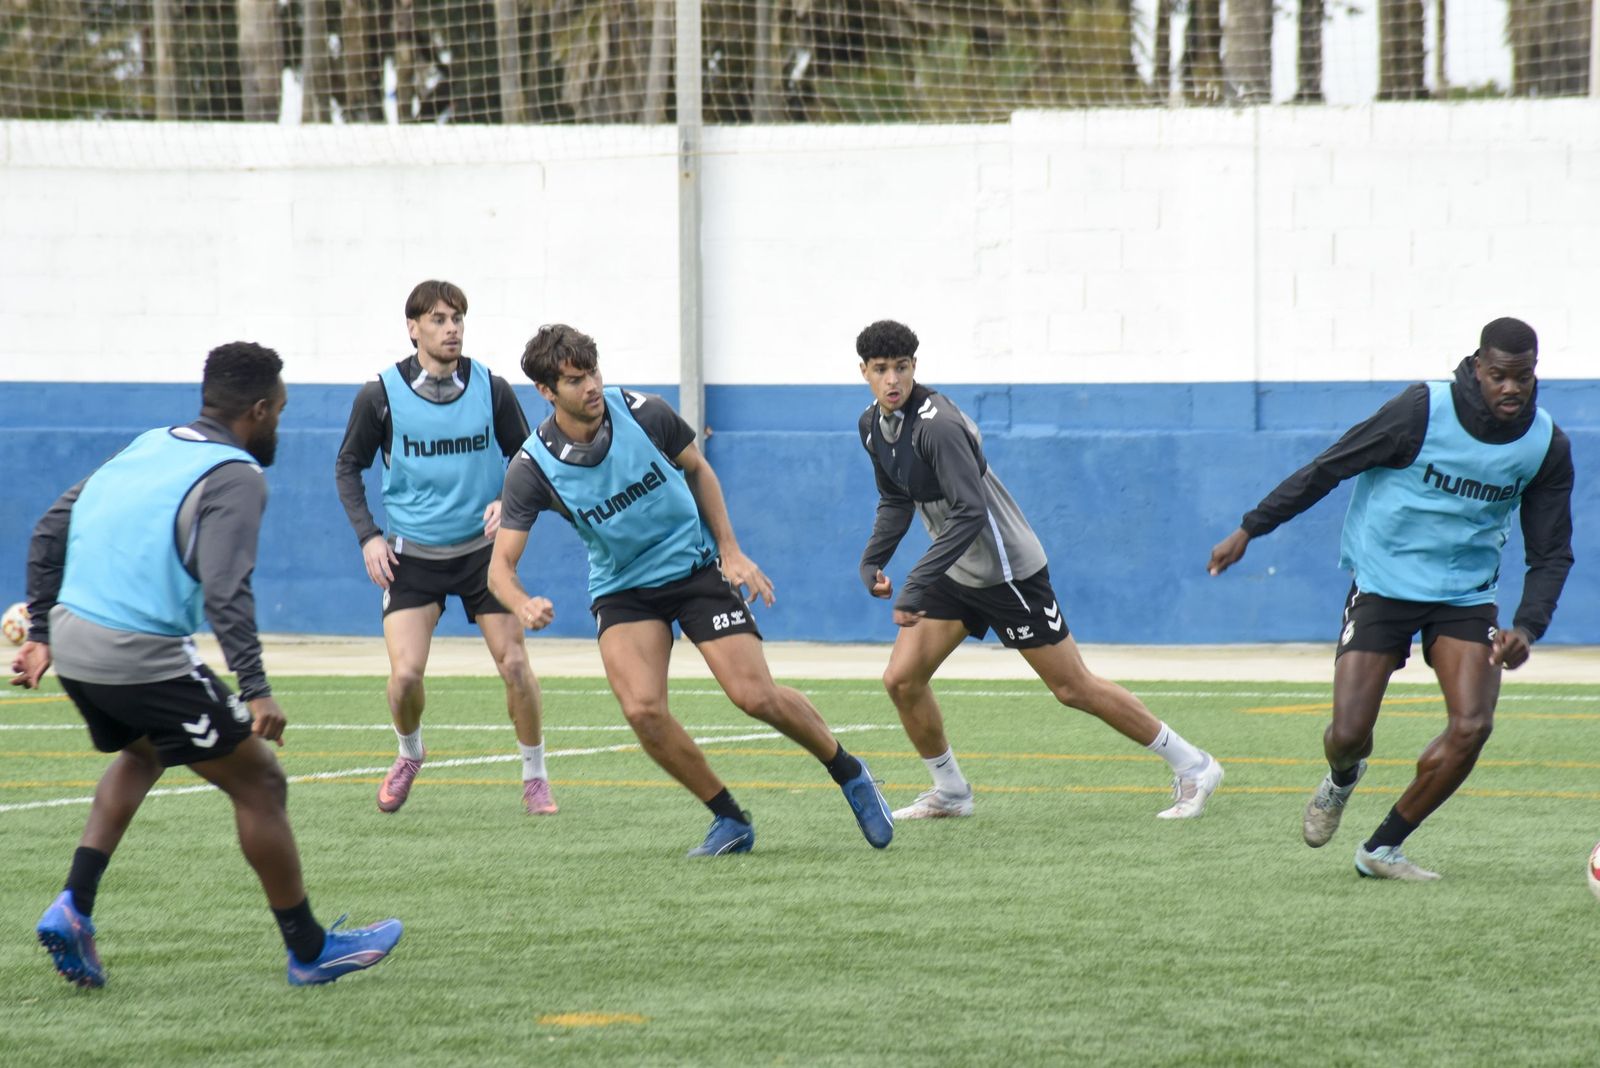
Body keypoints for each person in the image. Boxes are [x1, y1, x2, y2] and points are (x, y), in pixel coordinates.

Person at [11, 343, 401, 988]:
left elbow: (51, 529)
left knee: (143, 754)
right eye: (279, 409)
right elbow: (225, 588)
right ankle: (308, 948)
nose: (279, 420)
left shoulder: (150, 443)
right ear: (257, 410)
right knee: (261, 783)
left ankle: (73, 906)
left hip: (78, 646)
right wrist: (256, 689)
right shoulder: (237, 475)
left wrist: (46, 632)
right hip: (140, 655)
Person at [487, 324, 893, 856]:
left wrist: (730, 550)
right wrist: (522, 602)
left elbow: (697, 469)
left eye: (593, 372)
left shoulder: (644, 413)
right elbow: (500, 568)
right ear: (547, 392)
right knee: (642, 710)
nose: (591, 386)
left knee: (755, 696)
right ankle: (729, 819)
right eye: (574, 379)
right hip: (623, 589)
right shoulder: (532, 467)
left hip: (696, 570)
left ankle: (851, 773)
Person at [1208, 317, 1574, 881]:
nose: (1511, 388)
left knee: (1473, 725)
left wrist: (1527, 627)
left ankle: (1381, 849)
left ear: (1534, 374)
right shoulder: (1421, 412)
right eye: (1499, 375)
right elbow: (1329, 467)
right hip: (1383, 583)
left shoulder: (1544, 445)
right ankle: (1342, 777)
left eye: (1522, 377)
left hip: (1465, 596)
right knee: (1349, 734)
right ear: (1478, 369)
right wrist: (1251, 528)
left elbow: (1550, 553)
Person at [854, 320, 1223, 822]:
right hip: (956, 568)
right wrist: (874, 558)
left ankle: (1194, 765)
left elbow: (970, 513)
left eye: (901, 367)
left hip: (1007, 571)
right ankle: (951, 793)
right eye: (881, 370)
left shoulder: (937, 424)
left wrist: (915, 583)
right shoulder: (872, 425)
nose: (892, 379)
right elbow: (896, 497)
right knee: (901, 679)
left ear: (915, 367)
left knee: (1073, 688)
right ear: (865, 373)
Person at [335, 280, 554, 816]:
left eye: (457, 317)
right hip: (413, 557)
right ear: (413, 328)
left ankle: (535, 776)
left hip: (482, 555)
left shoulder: (491, 387)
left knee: (516, 666)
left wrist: (508, 499)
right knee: (405, 676)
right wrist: (368, 536)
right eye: (438, 319)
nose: (451, 327)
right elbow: (348, 466)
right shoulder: (380, 395)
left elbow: (526, 459)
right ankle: (409, 752)